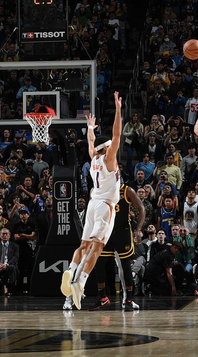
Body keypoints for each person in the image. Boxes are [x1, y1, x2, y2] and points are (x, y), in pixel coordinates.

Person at [61, 92, 123, 309]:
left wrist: (89, 128)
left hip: (92, 205)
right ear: (106, 148)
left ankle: (71, 270)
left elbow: (90, 142)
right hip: (105, 207)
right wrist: (118, 110)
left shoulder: (93, 158)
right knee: (97, 248)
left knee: (83, 245)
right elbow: (117, 134)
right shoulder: (108, 159)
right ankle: (81, 283)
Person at [83, 184, 145, 312]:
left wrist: (138, 229)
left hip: (122, 231)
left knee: (125, 265)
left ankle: (128, 299)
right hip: (105, 230)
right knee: (99, 263)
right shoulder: (96, 190)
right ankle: (102, 297)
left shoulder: (127, 190)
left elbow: (141, 208)